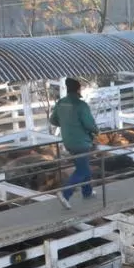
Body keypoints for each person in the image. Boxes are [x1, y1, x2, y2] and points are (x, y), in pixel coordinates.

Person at [50, 78, 99, 208]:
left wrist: (67, 124)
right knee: (82, 170)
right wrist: (96, 130)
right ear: (78, 89)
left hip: (68, 142)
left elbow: (53, 120)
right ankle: (65, 193)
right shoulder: (81, 105)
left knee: (84, 166)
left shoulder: (61, 103)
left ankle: (87, 191)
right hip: (81, 142)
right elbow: (89, 125)